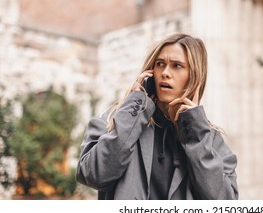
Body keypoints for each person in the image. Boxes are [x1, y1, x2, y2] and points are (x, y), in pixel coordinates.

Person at [76, 33, 238, 200]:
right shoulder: (112, 121)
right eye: (160, 64)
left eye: (177, 66)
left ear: (194, 77)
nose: (165, 73)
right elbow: (92, 175)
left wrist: (195, 134)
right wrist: (135, 107)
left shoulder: (211, 141)